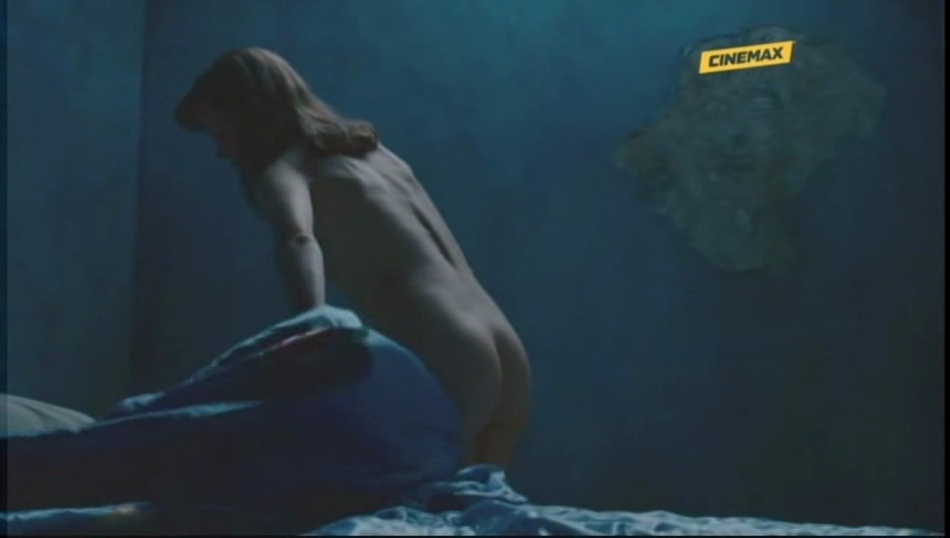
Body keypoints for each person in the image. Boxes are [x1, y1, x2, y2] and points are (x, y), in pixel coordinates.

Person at [174, 48, 531, 467]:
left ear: (249, 116)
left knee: (394, 495)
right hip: (506, 349)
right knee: (475, 500)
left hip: (450, 350)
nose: (222, 151)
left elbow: (298, 241)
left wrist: (309, 327)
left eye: (222, 133)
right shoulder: (378, 156)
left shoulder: (287, 171)